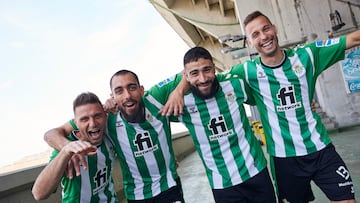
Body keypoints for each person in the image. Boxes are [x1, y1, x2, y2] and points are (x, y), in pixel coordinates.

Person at [227, 11, 360, 203]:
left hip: (320, 149)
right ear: (249, 43)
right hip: (284, 160)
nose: (264, 36)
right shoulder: (246, 72)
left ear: (275, 28)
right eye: (255, 34)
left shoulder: (307, 56)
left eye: (266, 28)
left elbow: (353, 38)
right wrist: (179, 89)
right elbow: (206, 78)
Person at [151, 46, 276, 202]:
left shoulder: (235, 83)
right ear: (185, 76)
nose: (203, 79)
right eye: (194, 73)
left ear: (215, 68)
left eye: (207, 70)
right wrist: (178, 91)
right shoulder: (181, 103)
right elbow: (146, 106)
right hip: (222, 184)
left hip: (256, 173)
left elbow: (267, 95)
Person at [44, 70, 185, 203]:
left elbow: (189, 70)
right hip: (137, 195)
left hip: (169, 185)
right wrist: (68, 148)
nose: (127, 95)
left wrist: (177, 92)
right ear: (113, 97)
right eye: (119, 91)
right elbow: (51, 134)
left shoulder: (155, 97)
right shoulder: (104, 117)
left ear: (141, 90)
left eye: (132, 87)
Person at [32, 92, 119, 202]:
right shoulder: (66, 149)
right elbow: (38, 194)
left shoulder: (108, 136)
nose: (93, 123)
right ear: (75, 123)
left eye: (97, 116)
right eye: (84, 119)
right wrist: (65, 152)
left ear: (105, 116)